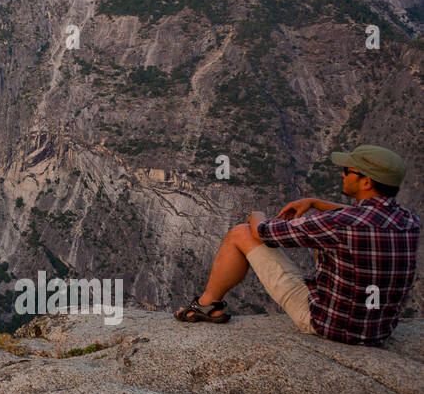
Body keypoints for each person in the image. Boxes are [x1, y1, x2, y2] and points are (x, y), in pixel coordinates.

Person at [175, 145, 420, 346]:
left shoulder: (339, 224)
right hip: (378, 331)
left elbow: (264, 233)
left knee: (241, 233)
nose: (342, 174)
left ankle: (206, 305)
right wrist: (314, 202)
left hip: (329, 325)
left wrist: (255, 214)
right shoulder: (409, 221)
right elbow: (368, 217)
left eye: (348, 170)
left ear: (366, 182)